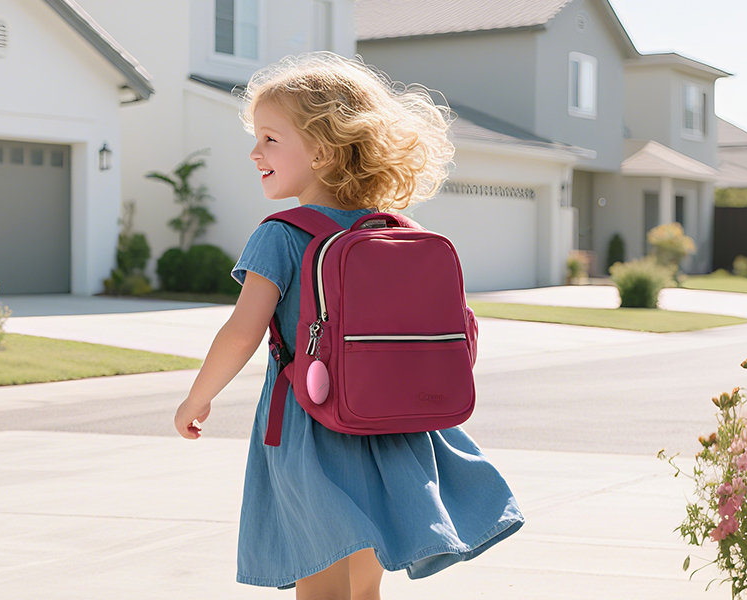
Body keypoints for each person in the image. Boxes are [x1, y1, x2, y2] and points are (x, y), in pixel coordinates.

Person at [172, 52, 525, 599]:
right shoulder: (397, 230)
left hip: (312, 428)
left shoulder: (282, 236)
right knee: (364, 587)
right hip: (390, 426)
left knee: (320, 579)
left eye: (270, 138)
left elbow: (243, 331)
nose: (254, 152)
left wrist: (198, 396)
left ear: (323, 149)